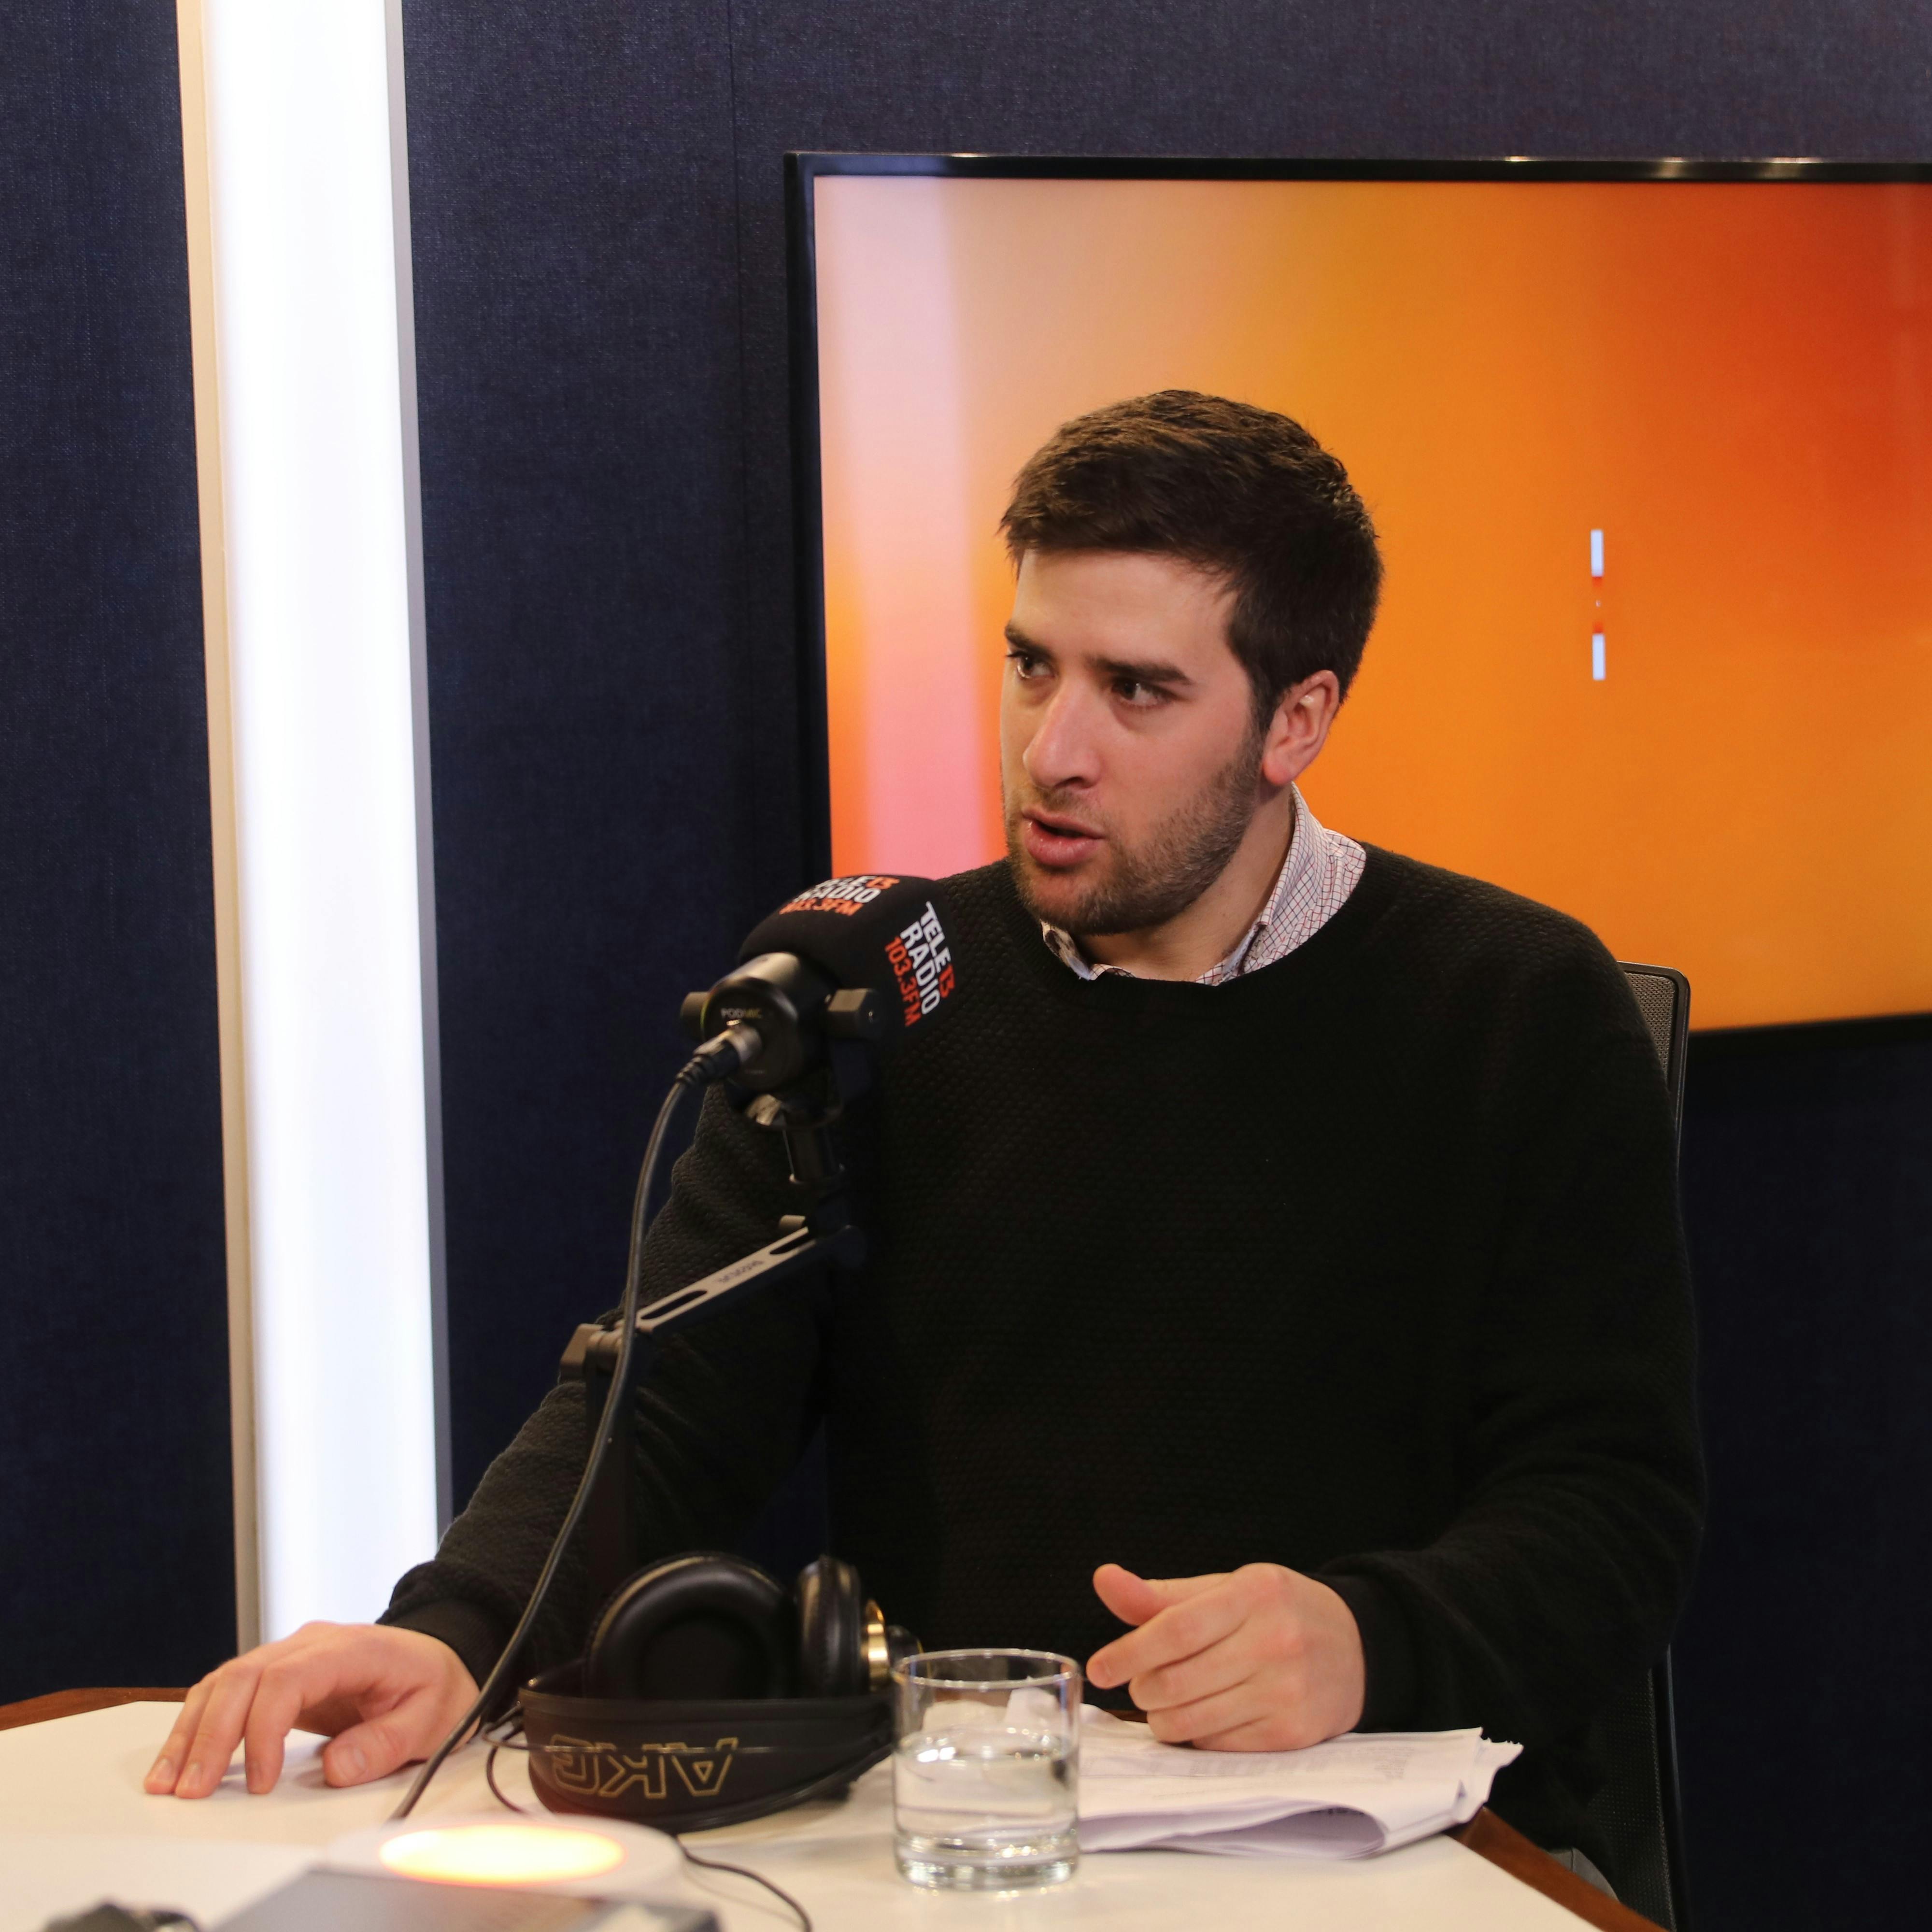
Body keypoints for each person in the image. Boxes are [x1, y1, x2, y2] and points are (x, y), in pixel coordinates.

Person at [147, 392, 1701, 1878]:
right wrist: (457, 1632)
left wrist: (1368, 1638)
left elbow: (1615, 1510)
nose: (1052, 748)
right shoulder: (880, 990)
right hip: (973, 1832)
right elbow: (674, 1399)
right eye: (1031, 666)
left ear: (1296, 720)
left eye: (1136, 689)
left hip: (1390, 1833)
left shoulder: (1516, 1006)